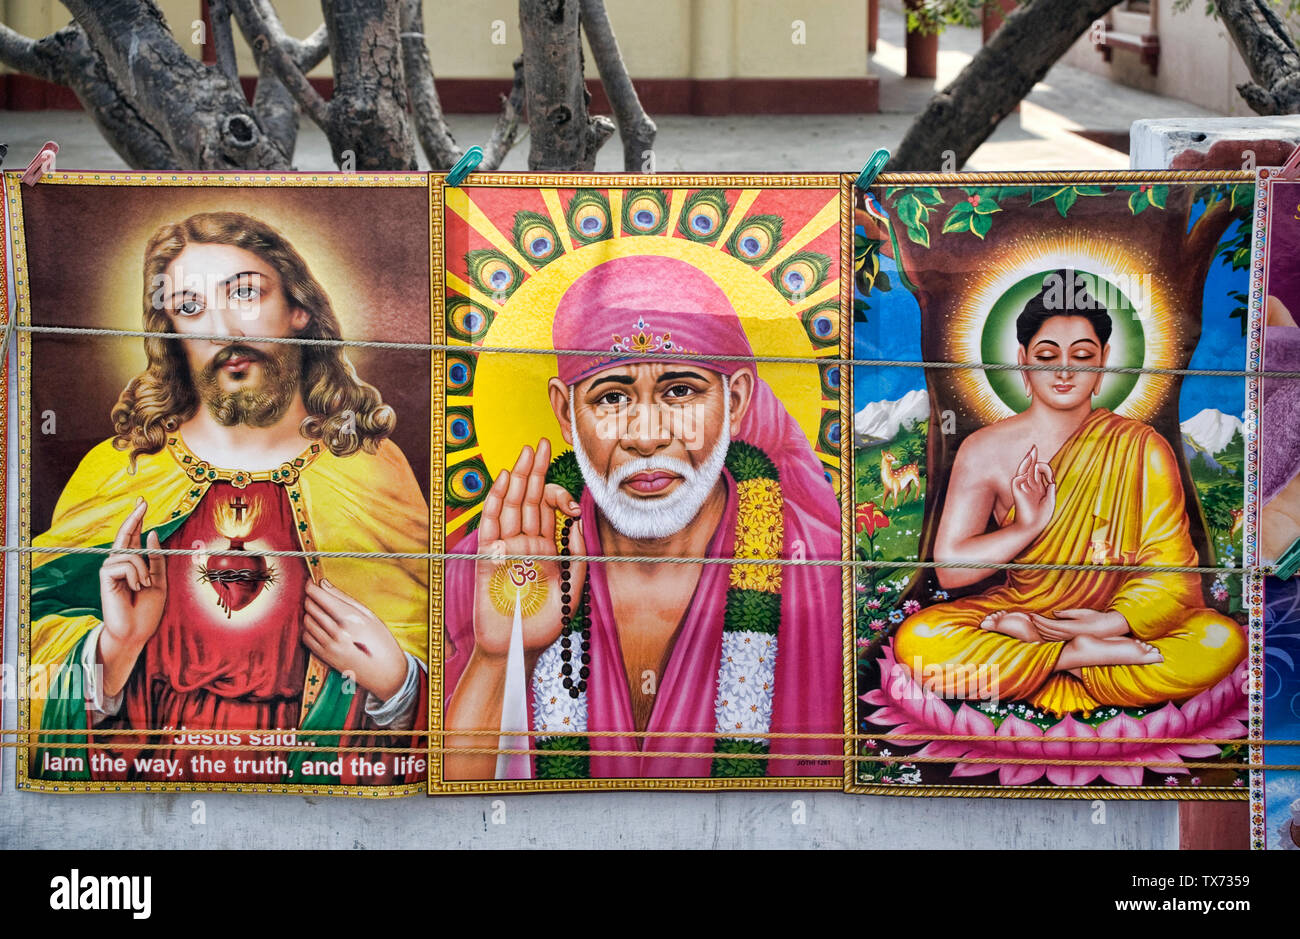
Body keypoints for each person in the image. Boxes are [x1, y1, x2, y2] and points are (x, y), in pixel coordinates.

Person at [30, 211, 429, 787]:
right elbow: (28, 647)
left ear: (300, 309)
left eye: (244, 293)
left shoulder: (369, 471)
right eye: (189, 307)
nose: (222, 327)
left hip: (319, 803)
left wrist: (397, 683)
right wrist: (112, 649)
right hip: (151, 803)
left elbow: (451, 646)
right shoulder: (123, 471)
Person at [443, 254, 843, 780]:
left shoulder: (820, 567)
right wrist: (498, 659)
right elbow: (447, 796)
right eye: (612, 397)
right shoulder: (490, 567)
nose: (648, 436)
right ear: (566, 413)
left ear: (737, 399)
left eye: (680, 391)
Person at [894, 270, 1245, 716]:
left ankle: (1051, 657)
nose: (1063, 371)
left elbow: (1171, 572)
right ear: (1023, 361)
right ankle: (1077, 658)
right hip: (1024, 607)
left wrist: (1112, 622)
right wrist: (1027, 526)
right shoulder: (984, 449)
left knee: (1219, 641)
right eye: (1047, 355)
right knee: (921, 640)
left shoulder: (1142, 448)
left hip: (1117, 621)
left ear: (1103, 364)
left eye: (1081, 355)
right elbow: (950, 570)